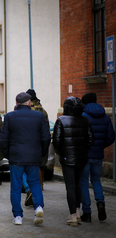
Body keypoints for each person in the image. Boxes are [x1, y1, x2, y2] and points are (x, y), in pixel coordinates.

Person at [0, 92, 51, 225]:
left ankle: (17, 216)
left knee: (15, 186)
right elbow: (46, 137)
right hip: (34, 155)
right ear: (29, 103)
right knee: (34, 182)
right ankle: (38, 207)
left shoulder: (10, 116)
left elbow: (3, 139)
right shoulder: (39, 116)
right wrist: (41, 152)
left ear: (16, 103)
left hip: (16, 156)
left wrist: (8, 154)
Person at [53, 96, 94, 226]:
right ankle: (77, 211)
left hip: (67, 158)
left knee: (70, 187)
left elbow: (57, 141)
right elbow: (91, 139)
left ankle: (72, 216)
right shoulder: (85, 120)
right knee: (77, 185)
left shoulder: (61, 120)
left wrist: (62, 153)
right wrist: (83, 149)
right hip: (81, 158)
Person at [79, 93, 115, 222]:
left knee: (83, 182)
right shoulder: (105, 117)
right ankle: (100, 202)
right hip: (98, 155)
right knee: (96, 180)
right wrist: (100, 145)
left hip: (85, 155)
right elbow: (111, 136)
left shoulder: (82, 116)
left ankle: (87, 212)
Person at [26, 89, 50, 191]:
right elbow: (47, 127)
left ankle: (33, 186)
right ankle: (41, 184)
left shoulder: (28, 110)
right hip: (42, 140)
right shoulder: (43, 110)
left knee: (33, 165)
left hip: (32, 141)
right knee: (42, 165)